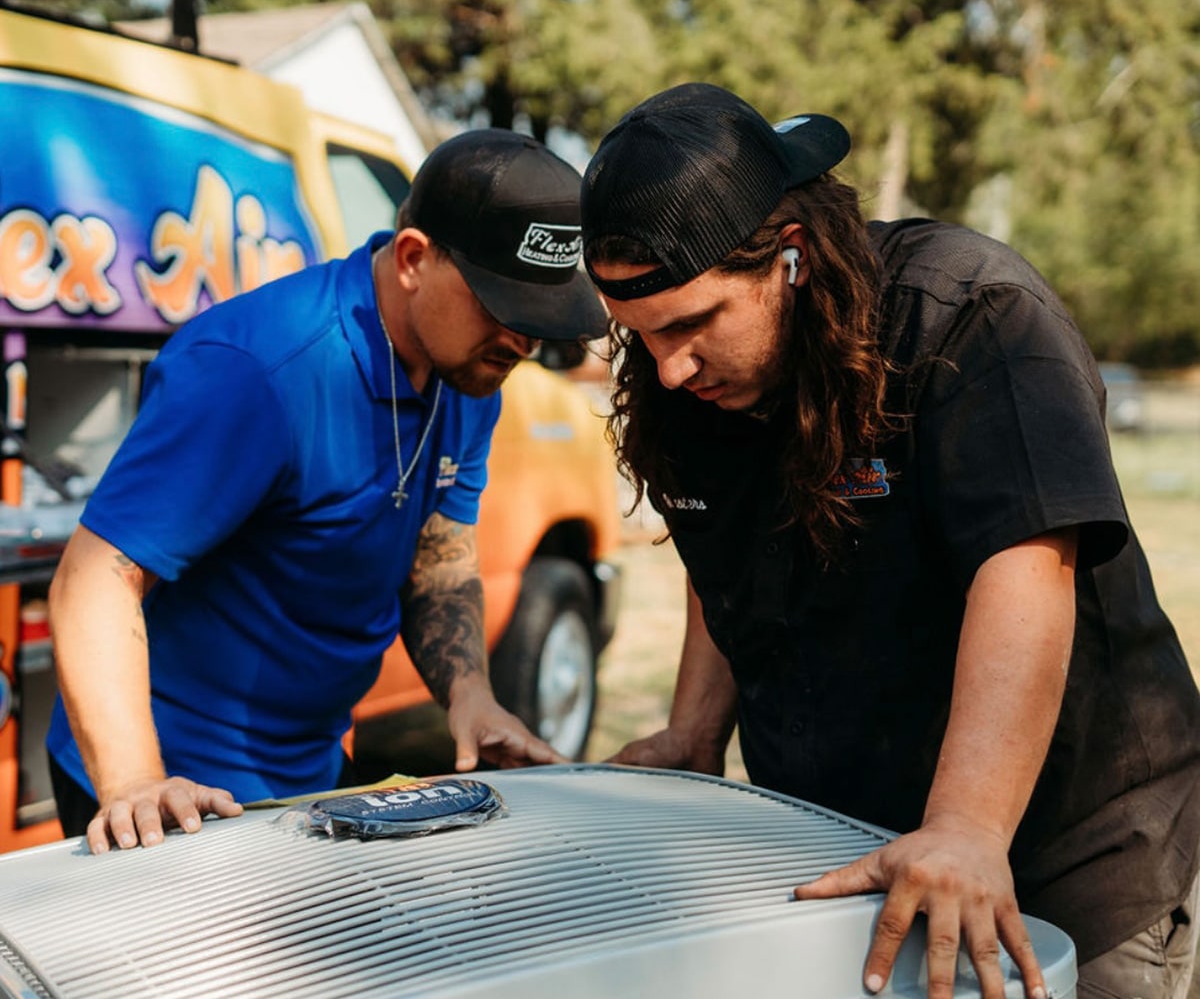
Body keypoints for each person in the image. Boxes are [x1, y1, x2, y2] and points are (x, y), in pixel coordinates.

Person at [581, 83, 1200, 999]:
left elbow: (1026, 570)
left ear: (790, 255)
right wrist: (694, 730)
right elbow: (723, 546)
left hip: (1070, 856)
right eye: (641, 335)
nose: (669, 368)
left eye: (691, 324)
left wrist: (967, 825)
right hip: (853, 852)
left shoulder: (972, 316)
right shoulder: (693, 381)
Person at [46, 128, 608, 856]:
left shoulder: (470, 375)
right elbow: (94, 579)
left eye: (536, 319)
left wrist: (470, 695)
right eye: (501, 307)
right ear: (413, 259)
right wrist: (133, 782)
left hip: (309, 776)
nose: (521, 343)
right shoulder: (255, 371)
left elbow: (439, 553)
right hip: (170, 784)